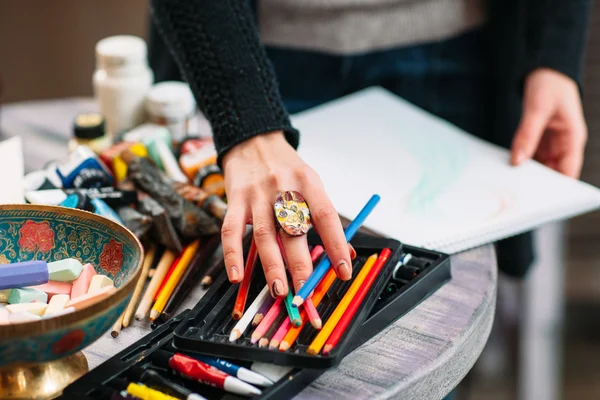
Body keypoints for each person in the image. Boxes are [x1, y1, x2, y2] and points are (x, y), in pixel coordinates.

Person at [147, 0, 591, 297]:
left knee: (425, 320)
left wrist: (552, 51)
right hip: (256, 57)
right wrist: (245, 122)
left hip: (457, 54)